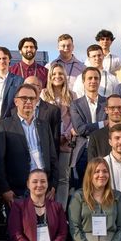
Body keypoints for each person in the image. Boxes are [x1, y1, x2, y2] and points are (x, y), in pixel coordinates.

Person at [0, 83, 58, 205]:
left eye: (32, 98)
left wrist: (53, 186)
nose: (28, 101)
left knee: (43, 224)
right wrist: (5, 189)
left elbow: (53, 158)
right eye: (24, 98)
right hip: (17, 191)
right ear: (16, 101)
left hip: (43, 189)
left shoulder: (44, 126)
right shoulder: (4, 126)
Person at [41, 63, 77, 208]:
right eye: (54, 74)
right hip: (48, 141)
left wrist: (66, 135)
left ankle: (60, 211)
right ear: (50, 76)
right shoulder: (43, 94)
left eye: (60, 74)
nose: (57, 77)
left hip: (65, 142)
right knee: (46, 176)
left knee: (63, 178)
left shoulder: (71, 95)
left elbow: (75, 119)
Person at [69, 67, 107, 183]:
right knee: (80, 188)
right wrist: (102, 124)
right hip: (83, 151)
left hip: (103, 151)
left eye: (96, 78)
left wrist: (88, 127)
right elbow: (80, 129)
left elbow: (110, 127)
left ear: (100, 81)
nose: (93, 81)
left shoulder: (108, 103)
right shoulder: (75, 104)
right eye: (89, 78)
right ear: (84, 82)